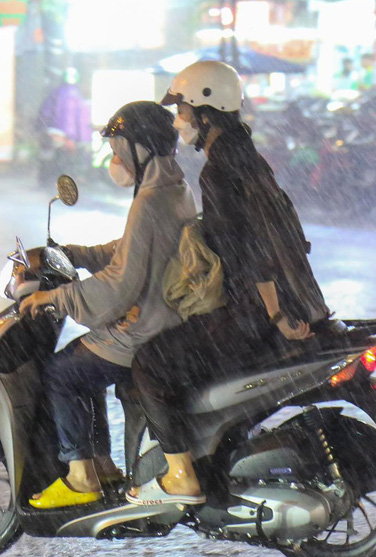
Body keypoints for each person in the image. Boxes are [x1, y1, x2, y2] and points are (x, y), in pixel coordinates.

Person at [127, 61, 332, 506]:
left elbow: (254, 250)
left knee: (151, 363)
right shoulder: (247, 157)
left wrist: (275, 315)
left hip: (251, 314)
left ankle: (181, 474)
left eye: (182, 109)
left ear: (205, 110)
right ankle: (211, 455)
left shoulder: (219, 170)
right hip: (288, 303)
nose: (179, 120)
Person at [19, 101, 198, 509]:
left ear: (143, 148)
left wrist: (56, 297)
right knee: (82, 364)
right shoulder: (172, 188)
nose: (115, 159)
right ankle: (103, 464)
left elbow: (121, 282)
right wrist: (73, 254)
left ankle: (82, 476)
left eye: (120, 149)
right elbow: (129, 252)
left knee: (61, 373)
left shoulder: (150, 201)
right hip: (161, 314)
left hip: (147, 325)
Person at [36, 68, 90, 187]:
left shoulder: (55, 93)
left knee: (49, 157)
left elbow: (44, 113)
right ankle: (60, 182)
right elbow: (69, 119)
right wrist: (70, 137)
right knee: (64, 159)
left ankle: (46, 180)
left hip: (52, 132)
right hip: (65, 136)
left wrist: (43, 128)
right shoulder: (74, 96)